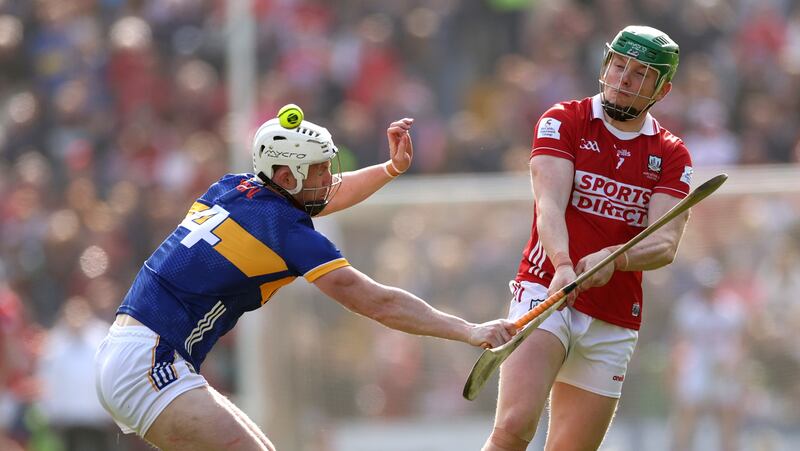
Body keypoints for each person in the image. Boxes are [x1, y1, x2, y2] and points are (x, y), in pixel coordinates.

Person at [94, 109, 517, 451]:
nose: (328, 178)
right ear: (286, 177)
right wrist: (468, 330)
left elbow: (329, 195)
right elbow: (378, 303)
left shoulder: (232, 189)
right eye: (318, 170)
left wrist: (390, 168)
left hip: (137, 351)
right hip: (150, 363)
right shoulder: (287, 233)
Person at [482, 25, 693, 451]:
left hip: (614, 315)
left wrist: (615, 258)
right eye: (619, 65)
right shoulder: (564, 120)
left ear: (663, 90)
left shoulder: (671, 154)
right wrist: (562, 264)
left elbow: (665, 244)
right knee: (514, 427)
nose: (624, 79)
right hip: (546, 289)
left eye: (640, 73)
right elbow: (549, 205)